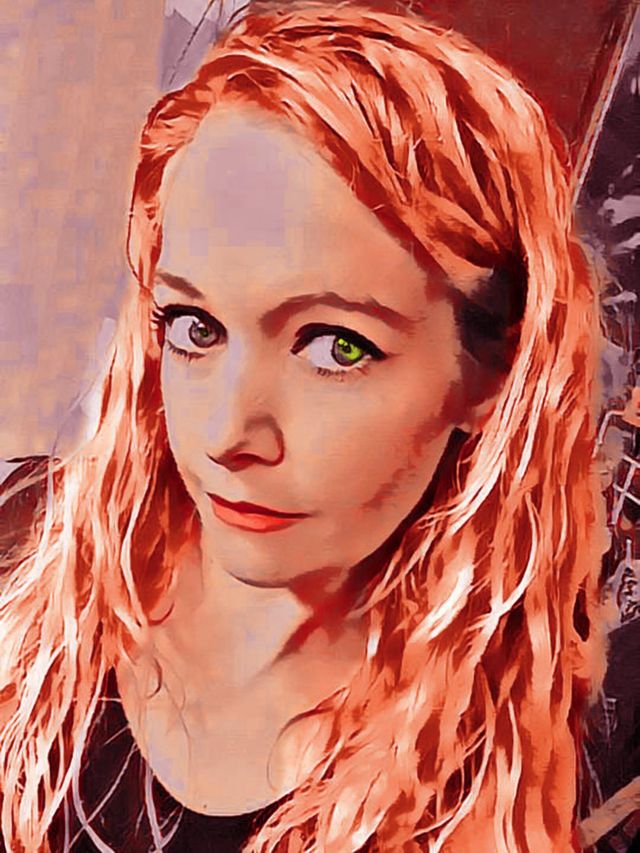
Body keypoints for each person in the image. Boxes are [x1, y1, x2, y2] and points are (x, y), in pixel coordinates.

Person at [0, 1, 608, 850]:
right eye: (194, 326)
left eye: (335, 345)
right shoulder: (27, 544)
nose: (227, 433)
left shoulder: (475, 795)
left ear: (491, 375)